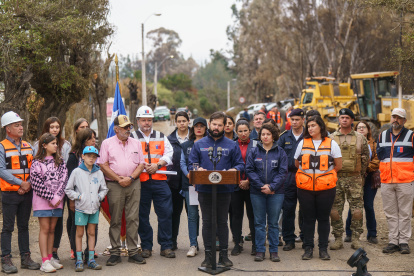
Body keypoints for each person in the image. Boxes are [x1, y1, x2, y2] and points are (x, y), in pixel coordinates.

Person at [188, 111, 244, 268]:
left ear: (224, 126)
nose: (217, 127)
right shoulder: (199, 144)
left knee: (222, 222)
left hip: (224, 190)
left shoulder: (232, 144)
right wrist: (197, 169)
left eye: (220, 125)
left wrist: (234, 170)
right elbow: (191, 164)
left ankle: (224, 256)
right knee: (207, 222)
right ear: (209, 124)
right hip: (205, 190)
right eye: (214, 124)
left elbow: (240, 164)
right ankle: (208, 256)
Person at [98, 115, 146, 266]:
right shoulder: (107, 143)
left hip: (133, 183)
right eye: (125, 127)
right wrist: (119, 179)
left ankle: (133, 251)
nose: (128, 130)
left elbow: (141, 164)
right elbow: (103, 164)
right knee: (116, 219)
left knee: (133, 218)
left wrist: (130, 178)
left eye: (129, 126)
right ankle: (115, 252)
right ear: (116, 129)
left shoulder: (136, 143)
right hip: (114, 185)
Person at [295, 115, 342, 260]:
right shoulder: (302, 143)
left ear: (321, 126)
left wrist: (323, 177)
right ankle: (308, 249)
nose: (310, 128)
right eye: (308, 126)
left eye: (313, 125)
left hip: (326, 189)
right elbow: (297, 164)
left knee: (323, 219)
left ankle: (323, 249)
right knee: (308, 219)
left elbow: (338, 165)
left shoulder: (331, 144)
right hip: (305, 188)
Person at [131, 106, 175, 258]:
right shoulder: (132, 138)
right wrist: (143, 166)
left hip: (159, 181)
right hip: (140, 183)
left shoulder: (161, 136)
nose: (146, 123)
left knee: (165, 213)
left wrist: (158, 164)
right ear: (138, 121)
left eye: (149, 120)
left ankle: (166, 246)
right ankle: (146, 247)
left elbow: (170, 153)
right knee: (142, 215)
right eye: (143, 120)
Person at [0, 111, 40, 273]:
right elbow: (1, 170)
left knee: (24, 226)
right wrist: (20, 184)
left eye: (21, 124)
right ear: (8, 129)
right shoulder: (2, 146)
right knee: (8, 227)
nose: (21, 127)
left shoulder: (28, 146)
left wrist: (28, 184)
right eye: (16, 125)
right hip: (10, 194)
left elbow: (35, 168)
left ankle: (26, 257)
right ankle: (6, 259)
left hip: (27, 192)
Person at [329, 109, 369, 251]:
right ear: (338, 120)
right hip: (337, 179)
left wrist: (360, 175)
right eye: (342, 117)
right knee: (334, 210)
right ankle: (338, 238)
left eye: (347, 117)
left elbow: (365, 158)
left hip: (354, 178)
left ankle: (356, 239)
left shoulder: (360, 137)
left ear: (352, 120)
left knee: (357, 210)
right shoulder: (331, 138)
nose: (344, 120)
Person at [246, 123, 287, 262]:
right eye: (263, 134)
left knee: (274, 223)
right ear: (260, 136)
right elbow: (250, 170)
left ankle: (274, 251)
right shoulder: (253, 151)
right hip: (257, 192)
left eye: (268, 134)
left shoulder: (280, 152)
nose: (265, 136)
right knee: (259, 223)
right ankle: (260, 250)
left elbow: (282, 172)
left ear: (273, 136)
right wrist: (261, 186)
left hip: (276, 193)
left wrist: (272, 187)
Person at [33, 117, 71, 262]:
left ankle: (50, 258)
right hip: (43, 202)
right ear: (44, 145)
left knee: (52, 230)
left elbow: (64, 180)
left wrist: (59, 197)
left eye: (56, 143)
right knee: (45, 229)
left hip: (57, 202)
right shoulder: (37, 162)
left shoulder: (60, 162)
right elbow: (37, 184)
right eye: (53, 144)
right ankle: (44, 261)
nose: (56, 146)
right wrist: (52, 197)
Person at [377, 108, 414, 254]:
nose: (395, 120)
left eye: (399, 118)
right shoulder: (382, 136)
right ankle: (393, 241)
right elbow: (380, 156)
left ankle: (404, 241)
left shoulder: (411, 136)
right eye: (394, 117)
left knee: (404, 213)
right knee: (390, 212)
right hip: (387, 181)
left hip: (405, 180)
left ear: (404, 120)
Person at [65, 146, 108, 272]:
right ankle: (79, 260)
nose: (91, 158)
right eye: (89, 156)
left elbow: (104, 188)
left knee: (91, 233)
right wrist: (78, 196)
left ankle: (91, 259)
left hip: (94, 208)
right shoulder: (76, 172)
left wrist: (99, 197)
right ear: (82, 156)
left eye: (94, 156)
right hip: (81, 208)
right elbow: (68, 189)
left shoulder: (99, 172)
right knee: (79, 233)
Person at [344, 121, 380, 244]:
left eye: (364, 127)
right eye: (359, 127)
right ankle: (349, 233)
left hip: (369, 177)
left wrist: (364, 168)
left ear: (368, 130)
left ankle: (372, 234)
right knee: (353, 206)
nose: (361, 129)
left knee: (368, 206)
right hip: (355, 178)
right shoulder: (351, 143)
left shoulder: (374, 144)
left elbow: (376, 161)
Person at [66, 129, 99, 261]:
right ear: (83, 140)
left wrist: (99, 197)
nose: (93, 141)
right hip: (78, 200)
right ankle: (77, 252)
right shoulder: (74, 156)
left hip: (93, 200)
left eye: (94, 138)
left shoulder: (96, 155)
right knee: (77, 226)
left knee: (92, 228)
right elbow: (70, 181)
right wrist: (73, 199)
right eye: (90, 138)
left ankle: (89, 253)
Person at [278, 109, 305, 251]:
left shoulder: (308, 135)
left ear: (303, 120)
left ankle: (306, 237)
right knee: (288, 209)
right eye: (292, 120)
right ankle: (289, 239)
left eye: (297, 119)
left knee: (306, 209)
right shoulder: (284, 137)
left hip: (306, 175)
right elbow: (278, 156)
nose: (294, 122)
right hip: (288, 176)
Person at [180, 117, 208, 257]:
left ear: (205, 128)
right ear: (193, 128)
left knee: (207, 215)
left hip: (207, 186)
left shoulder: (211, 144)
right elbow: (182, 164)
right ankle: (193, 244)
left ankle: (209, 243)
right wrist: (190, 176)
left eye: (202, 126)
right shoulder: (186, 145)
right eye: (196, 126)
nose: (199, 128)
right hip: (190, 185)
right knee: (192, 215)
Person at [231, 120, 257, 256]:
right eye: (240, 131)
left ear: (250, 131)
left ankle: (255, 244)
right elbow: (230, 164)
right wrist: (239, 181)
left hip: (252, 185)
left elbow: (259, 166)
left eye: (245, 130)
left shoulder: (256, 144)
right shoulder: (232, 145)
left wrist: (248, 180)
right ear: (236, 132)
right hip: (235, 185)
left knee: (253, 215)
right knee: (236, 215)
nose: (243, 133)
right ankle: (237, 243)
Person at [167, 111, 190, 251]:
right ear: (176, 122)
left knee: (192, 214)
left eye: (184, 121)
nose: (182, 123)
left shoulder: (194, 138)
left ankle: (194, 242)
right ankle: (172, 241)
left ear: (188, 121)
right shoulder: (169, 139)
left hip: (190, 183)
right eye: (179, 121)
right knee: (174, 213)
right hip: (174, 183)